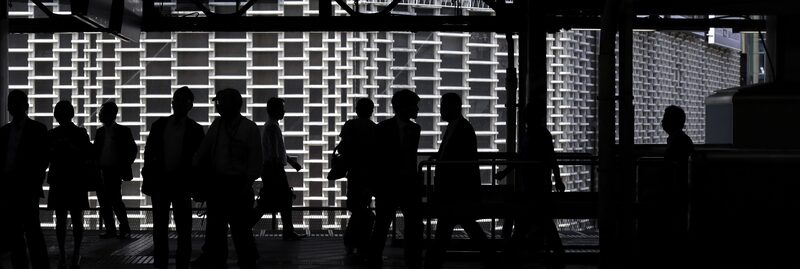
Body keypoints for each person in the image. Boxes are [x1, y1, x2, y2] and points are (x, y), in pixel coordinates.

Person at [192, 88, 262, 269]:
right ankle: (244, 259)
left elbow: (203, 152)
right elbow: (255, 161)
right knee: (235, 227)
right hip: (230, 183)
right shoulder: (246, 127)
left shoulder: (223, 126)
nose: (218, 106)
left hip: (232, 184)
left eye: (221, 102)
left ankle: (219, 257)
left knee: (226, 226)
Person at [423, 93, 492, 269]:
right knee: (463, 227)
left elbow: (460, 162)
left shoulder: (461, 129)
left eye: (444, 107)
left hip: (455, 192)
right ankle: (491, 259)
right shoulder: (460, 127)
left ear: (453, 107)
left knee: (447, 230)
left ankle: (433, 263)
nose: (441, 111)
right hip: (457, 192)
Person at [142, 87, 205, 269]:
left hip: (168, 184)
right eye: (177, 101)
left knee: (164, 227)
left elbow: (149, 154)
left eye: (182, 101)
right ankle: (180, 263)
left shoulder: (160, 126)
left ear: (189, 105)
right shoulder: (194, 129)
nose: (178, 104)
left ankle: (162, 262)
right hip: (176, 184)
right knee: (179, 228)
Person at [500, 106, 565, 267]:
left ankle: (508, 256)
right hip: (536, 185)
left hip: (534, 186)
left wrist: (505, 172)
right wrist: (557, 179)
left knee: (528, 222)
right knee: (541, 221)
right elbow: (550, 159)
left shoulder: (533, 135)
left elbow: (523, 158)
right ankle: (559, 255)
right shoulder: (540, 134)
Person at [366, 90, 423, 269]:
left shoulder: (411, 129)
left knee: (407, 224)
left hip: (405, 185)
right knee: (384, 225)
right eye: (414, 105)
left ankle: (408, 258)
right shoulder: (383, 129)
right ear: (403, 107)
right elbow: (375, 158)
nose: (417, 109)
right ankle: (379, 258)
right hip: (388, 185)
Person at [0, 90, 50, 269]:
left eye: (15, 103)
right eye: (11, 103)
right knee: (21, 231)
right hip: (13, 187)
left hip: (25, 186)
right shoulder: (35, 129)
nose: (13, 107)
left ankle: (33, 265)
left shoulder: (33, 129)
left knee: (29, 230)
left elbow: (43, 158)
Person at [47, 101, 92, 269]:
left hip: (59, 180)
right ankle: (75, 253)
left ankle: (62, 254)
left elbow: (48, 156)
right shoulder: (80, 133)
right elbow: (88, 154)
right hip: (76, 180)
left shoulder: (52, 134)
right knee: (77, 218)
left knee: (60, 219)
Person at [256, 97, 306, 241]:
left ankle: (288, 231)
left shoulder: (270, 125)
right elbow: (274, 153)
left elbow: (277, 151)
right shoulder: (272, 127)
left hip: (271, 170)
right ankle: (288, 232)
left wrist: (290, 162)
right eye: (282, 109)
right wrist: (280, 170)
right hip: (274, 170)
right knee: (281, 201)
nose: (284, 111)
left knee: (273, 202)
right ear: (275, 110)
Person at [336, 98, 377, 258]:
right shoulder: (374, 128)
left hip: (354, 172)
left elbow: (343, 147)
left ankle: (351, 240)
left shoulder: (350, 125)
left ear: (356, 109)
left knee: (355, 206)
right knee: (363, 206)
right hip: (369, 174)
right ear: (371, 111)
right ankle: (360, 241)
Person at [94, 101, 137, 240]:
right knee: (106, 202)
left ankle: (121, 229)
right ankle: (114, 229)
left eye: (102, 112)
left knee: (115, 201)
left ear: (110, 114)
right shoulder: (101, 132)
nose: (100, 115)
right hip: (102, 171)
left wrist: (123, 165)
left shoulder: (122, 131)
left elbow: (132, 150)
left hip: (113, 171)